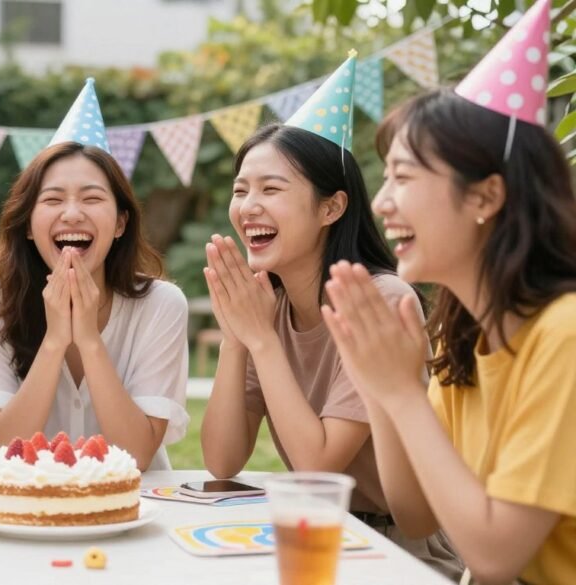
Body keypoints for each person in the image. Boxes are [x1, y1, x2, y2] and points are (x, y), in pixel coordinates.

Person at [323, 5, 576, 582]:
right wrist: (377, 387)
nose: (382, 201)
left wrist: (401, 394)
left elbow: (494, 555)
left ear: (485, 198)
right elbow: (415, 513)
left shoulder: (563, 334)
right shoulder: (467, 331)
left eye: (404, 177)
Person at [200, 54, 461, 579]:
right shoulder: (264, 306)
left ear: (331, 208)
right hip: (317, 535)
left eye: (271, 189)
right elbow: (222, 462)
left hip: (397, 549)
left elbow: (317, 463)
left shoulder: (382, 300)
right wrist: (236, 339)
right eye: (241, 189)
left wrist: (262, 342)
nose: (248, 205)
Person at [0, 79, 189, 471]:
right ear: (28, 225)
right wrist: (55, 341)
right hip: (21, 511)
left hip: (130, 512)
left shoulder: (161, 305)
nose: (71, 213)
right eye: (52, 199)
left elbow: (137, 454)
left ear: (119, 223)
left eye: (92, 198)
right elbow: (1, 449)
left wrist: (88, 339)